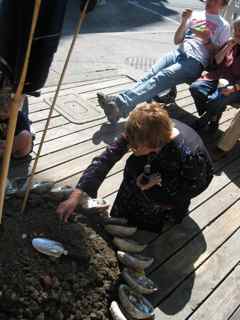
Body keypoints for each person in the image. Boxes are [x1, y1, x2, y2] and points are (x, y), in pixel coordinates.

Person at [57, 102, 213, 232]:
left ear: (152, 145)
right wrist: (76, 195)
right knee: (133, 164)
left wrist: (158, 183)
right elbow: (106, 158)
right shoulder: (145, 131)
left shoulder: (189, 155)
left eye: (134, 146)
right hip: (158, 163)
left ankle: (165, 215)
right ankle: (123, 213)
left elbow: (193, 186)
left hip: (186, 179)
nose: (129, 147)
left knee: (151, 199)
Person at [97, 0, 230, 124]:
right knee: (149, 75)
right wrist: (184, 22)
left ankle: (118, 103)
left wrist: (207, 40)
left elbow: (217, 58)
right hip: (178, 52)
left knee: (161, 77)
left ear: (223, 4)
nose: (210, 1)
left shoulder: (223, 25)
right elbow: (177, 40)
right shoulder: (195, 14)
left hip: (195, 62)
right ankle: (117, 107)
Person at [190, 16, 240, 131]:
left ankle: (201, 122)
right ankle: (214, 115)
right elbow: (217, 61)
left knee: (217, 99)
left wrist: (233, 88)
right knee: (195, 88)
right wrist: (228, 47)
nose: (237, 33)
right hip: (218, 77)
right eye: (236, 29)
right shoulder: (230, 42)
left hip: (236, 86)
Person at [0, 89, 33, 159]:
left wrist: (8, 143)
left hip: (15, 146)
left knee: (25, 136)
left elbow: (25, 138)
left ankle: (7, 153)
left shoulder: (19, 117)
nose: (1, 113)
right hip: (3, 146)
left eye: (5, 111)